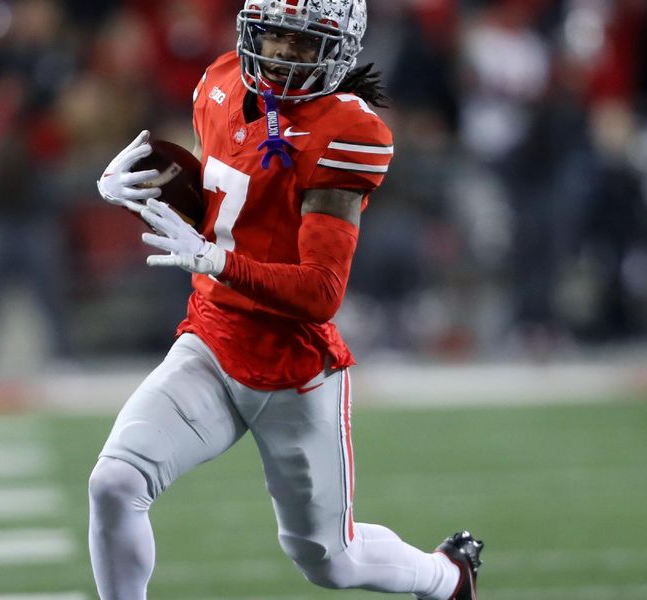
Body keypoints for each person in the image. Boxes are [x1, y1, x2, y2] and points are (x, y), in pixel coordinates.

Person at [89, 2, 483, 599]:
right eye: (276, 36)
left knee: (332, 561)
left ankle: (446, 577)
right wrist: (139, 190)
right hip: (213, 338)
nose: (285, 54)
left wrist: (215, 260)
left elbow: (320, 292)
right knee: (115, 482)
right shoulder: (221, 81)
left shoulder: (345, 130)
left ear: (340, 48)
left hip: (291, 368)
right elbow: (227, 210)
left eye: (305, 43)